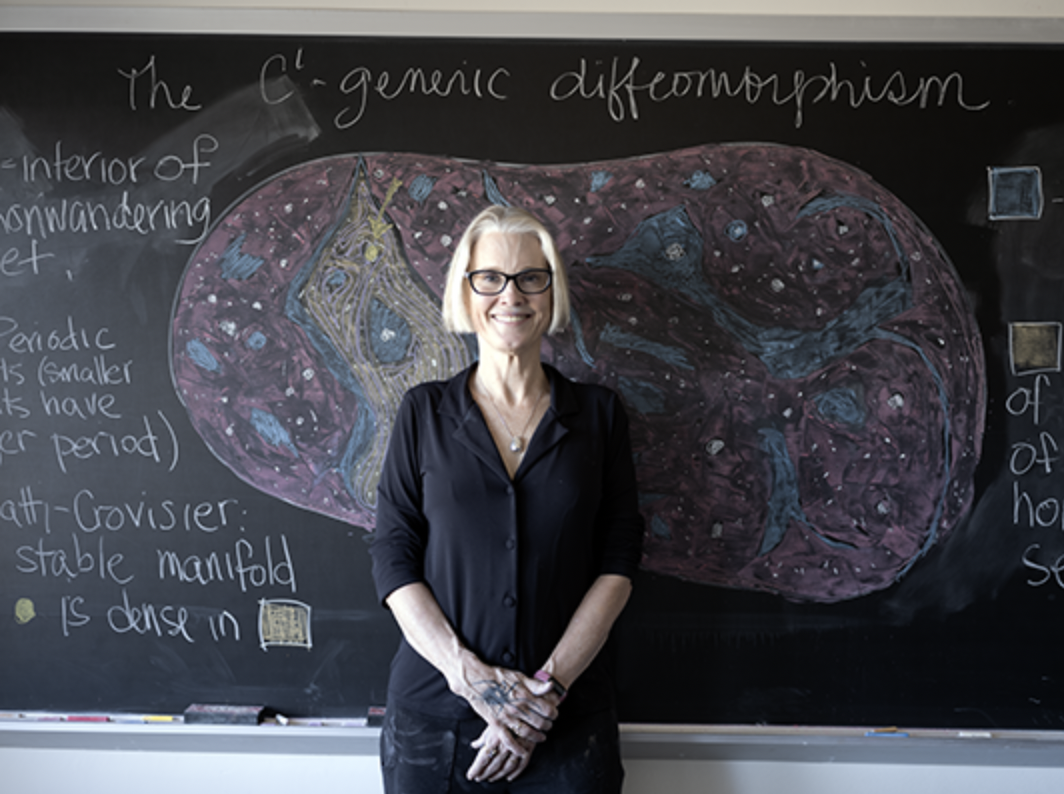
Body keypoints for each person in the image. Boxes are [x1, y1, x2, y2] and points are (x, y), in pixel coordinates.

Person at [370, 204, 645, 792]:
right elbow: (393, 555)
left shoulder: (599, 416)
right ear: (466, 294)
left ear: (551, 291)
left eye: (530, 277)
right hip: (436, 724)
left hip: (568, 728)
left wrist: (544, 694)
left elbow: (618, 562)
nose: (510, 295)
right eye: (489, 277)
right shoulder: (423, 413)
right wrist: (470, 678)